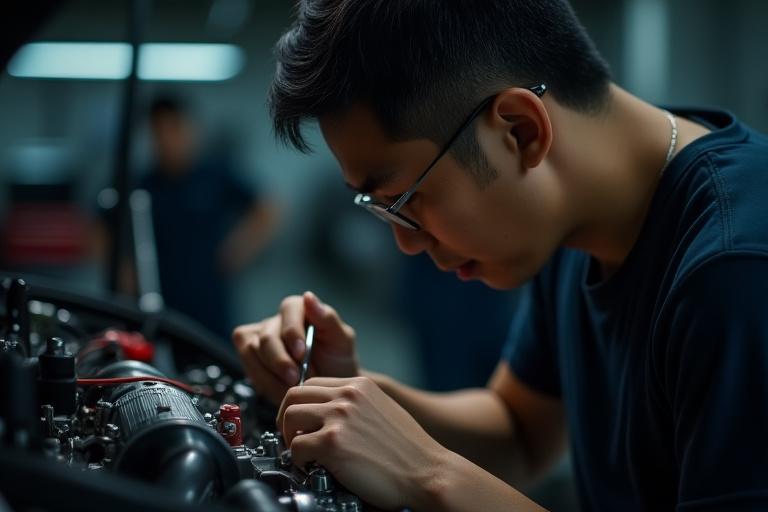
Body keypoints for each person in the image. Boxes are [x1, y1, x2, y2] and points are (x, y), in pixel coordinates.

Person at [233, 1, 768, 510]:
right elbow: (517, 431)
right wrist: (345, 393)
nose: (407, 242)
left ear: (520, 130)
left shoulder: (735, 270)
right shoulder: (579, 218)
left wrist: (429, 474)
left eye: (406, 199)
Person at [140, 95, 277, 339]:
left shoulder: (215, 175)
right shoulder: (143, 185)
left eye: (174, 128)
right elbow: (102, 227)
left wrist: (238, 249)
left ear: (191, 129)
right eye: (159, 131)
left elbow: (268, 208)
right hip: (161, 304)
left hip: (210, 302)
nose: (168, 140)